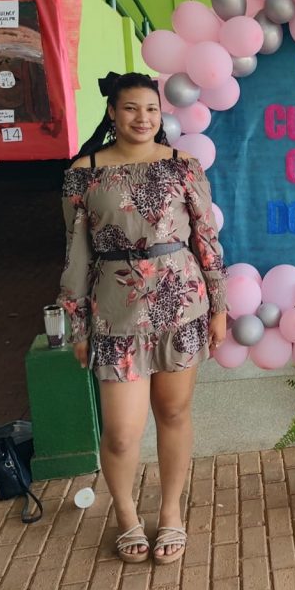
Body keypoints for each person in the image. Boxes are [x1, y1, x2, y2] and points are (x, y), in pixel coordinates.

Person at [58, 71, 227, 563]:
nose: (142, 118)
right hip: (115, 316)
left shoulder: (182, 165)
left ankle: (171, 512)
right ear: (112, 112)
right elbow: (75, 255)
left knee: (173, 412)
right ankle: (127, 515)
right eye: (131, 108)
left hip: (181, 306)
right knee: (122, 432)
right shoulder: (83, 171)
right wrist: (77, 324)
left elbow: (206, 240)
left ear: (161, 114)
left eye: (151, 110)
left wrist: (219, 306)